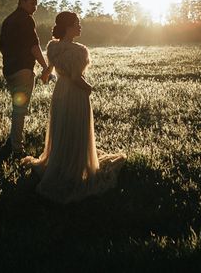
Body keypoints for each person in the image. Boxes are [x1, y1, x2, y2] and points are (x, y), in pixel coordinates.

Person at [22, 11, 126, 203]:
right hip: (75, 94)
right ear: (68, 27)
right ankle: (75, 168)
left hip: (60, 93)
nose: (80, 26)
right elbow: (77, 78)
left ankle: (60, 162)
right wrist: (90, 88)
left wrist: (45, 76)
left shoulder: (53, 46)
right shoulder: (80, 50)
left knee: (63, 127)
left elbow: (48, 71)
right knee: (76, 129)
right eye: (77, 23)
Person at [0, 0, 51, 156]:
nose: (34, 7)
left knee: (17, 108)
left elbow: (2, 46)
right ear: (21, 1)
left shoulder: (8, 20)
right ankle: (17, 149)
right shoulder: (26, 20)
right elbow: (33, 46)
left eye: (36, 4)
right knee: (20, 111)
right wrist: (45, 66)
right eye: (31, 3)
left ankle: (11, 143)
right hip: (23, 70)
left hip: (9, 70)